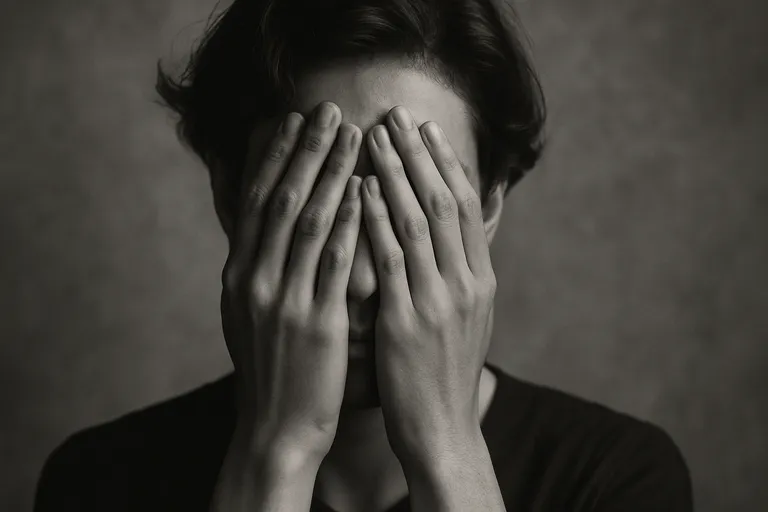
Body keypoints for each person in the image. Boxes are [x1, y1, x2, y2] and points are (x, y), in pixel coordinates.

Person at [34, 0, 694, 511]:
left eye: (413, 201)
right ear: (233, 199)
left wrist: (447, 452)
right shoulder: (99, 483)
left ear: (487, 206)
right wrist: (275, 456)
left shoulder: (615, 479)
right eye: (319, 197)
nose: (363, 280)